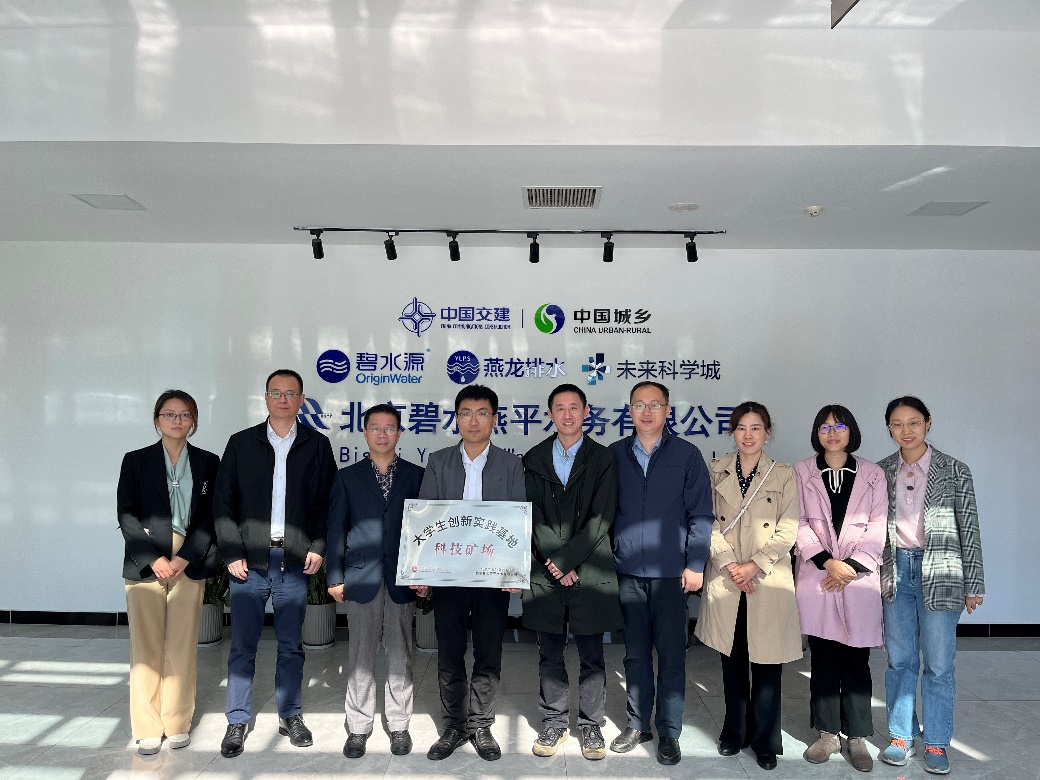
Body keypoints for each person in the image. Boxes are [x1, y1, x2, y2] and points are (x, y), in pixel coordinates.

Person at [213, 369, 337, 758]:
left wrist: (319, 545)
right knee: (242, 645)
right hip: (248, 563)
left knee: (290, 645)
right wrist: (231, 552)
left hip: (293, 561)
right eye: (276, 392)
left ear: (301, 399)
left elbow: (326, 503)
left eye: (291, 393)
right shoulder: (241, 443)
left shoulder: (317, 445)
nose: (283, 399)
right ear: (265, 398)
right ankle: (237, 719)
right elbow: (222, 503)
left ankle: (291, 715)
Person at [417, 384, 526, 762]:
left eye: (482, 413)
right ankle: (453, 725)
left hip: (492, 576)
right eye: (466, 413)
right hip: (449, 574)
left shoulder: (511, 465)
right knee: (449, 651)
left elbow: (517, 521)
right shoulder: (439, 462)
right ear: (457, 419)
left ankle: (480, 724)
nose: (473, 421)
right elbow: (426, 517)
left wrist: (515, 571)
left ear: (494, 419)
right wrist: (421, 570)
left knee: (488, 651)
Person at [877, 396, 985, 775]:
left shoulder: (955, 470)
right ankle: (901, 736)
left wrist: (974, 583)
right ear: (889, 428)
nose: (905, 430)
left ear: (928, 422)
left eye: (913, 422)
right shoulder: (880, 471)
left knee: (938, 663)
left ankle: (936, 741)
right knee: (900, 659)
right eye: (897, 424)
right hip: (896, 570)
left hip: (942, 570)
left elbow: (969, 528)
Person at [609, 381, 713, 766]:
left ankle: (669, 730)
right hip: (628, 571)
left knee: (671, 657)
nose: (647, 411)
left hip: (672, 574)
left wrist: (696, 563)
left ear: (668, 411)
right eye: (639, 405)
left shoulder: (687, 455)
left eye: (655, 405)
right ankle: (638, 725)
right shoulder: (614, 454)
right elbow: (604, 513)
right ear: (630, 411)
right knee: (635, 655)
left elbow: (701, 514)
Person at [694, 401, 801, 772]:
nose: (748, 435)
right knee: (733, 661)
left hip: (766, 579)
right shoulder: (715, 469)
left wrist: (754, 565)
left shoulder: (783, 474)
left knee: (768, 664)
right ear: (732, 432)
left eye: (756, 428)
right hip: (728, 578)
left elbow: (789, 528)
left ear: (767, 433)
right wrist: (730, 564)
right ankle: (734, 731)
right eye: (741, 428)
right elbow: (705, 521)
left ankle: (766, 740)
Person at [117, 389, 220, 755]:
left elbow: (211, 516)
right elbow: (126, 515)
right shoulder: (136, 460)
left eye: (184, 414)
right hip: (146, 560)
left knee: (182, 645)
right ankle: (147, 727)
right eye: (169, 414)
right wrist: (153, 558)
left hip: (189, 560)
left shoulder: (208, 462)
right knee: (145, 646)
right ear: (156, 419)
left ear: (194, 421)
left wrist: (186, 557)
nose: (177, 420)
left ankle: (176, 722)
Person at [522, 383, 621, 760]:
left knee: (592, 653)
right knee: (549, 651)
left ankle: (591, 724)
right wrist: (556, 560)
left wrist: (567, 560)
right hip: (546, 568)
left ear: (586, 412)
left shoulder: (602, 458)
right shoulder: (533, 458)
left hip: (590, 567)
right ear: (550, 414)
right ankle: (554, 722)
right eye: (560, 408)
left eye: (574, 407)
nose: (567, 414)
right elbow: (530, 515)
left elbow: (602, 516)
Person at [326, 403, 424, 759]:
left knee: (400, 654)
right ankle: (358, 727)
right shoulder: (347, 477)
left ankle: (399, 725)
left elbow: (426, 530)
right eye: (376, 428)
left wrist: (424, 575)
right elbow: (335, 530)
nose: (383, 434)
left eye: (389, 428)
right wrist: (334, 576)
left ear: (399, 433)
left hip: (402, 577)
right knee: (360, 656)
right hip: (360, 578)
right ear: (365, 433)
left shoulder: (417, 475)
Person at [794, 405, 887, 773]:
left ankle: (858, 736)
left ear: (852, 432)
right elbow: (797, 522)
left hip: (858, 579)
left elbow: (878, 527)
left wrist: (849, 567)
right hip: (819, 576)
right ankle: (828, 733)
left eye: (839, 426)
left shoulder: (873, 474)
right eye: (825, 427)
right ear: (816, 433)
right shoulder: (801, 472)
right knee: (823, 659)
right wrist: (827, 563)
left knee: (856, 661)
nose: (832, 433)